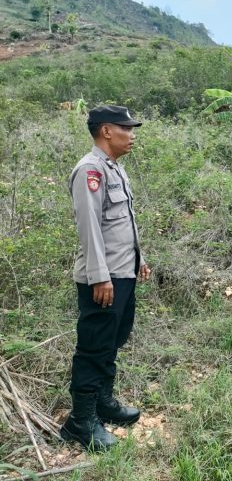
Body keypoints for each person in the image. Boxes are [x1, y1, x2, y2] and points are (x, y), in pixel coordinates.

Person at [61, 105, 151, 452]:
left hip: (122, 272)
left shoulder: (115, 168)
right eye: (126, 128)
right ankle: (80, 422)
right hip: (103, 278)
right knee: (93, 348)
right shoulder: (89, 170)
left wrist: (138, 260)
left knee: (111, 341)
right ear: (106, 131)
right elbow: (90, 230)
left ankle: (103, 402)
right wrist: (100, 277)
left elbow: (120, 224)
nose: (132, 134)